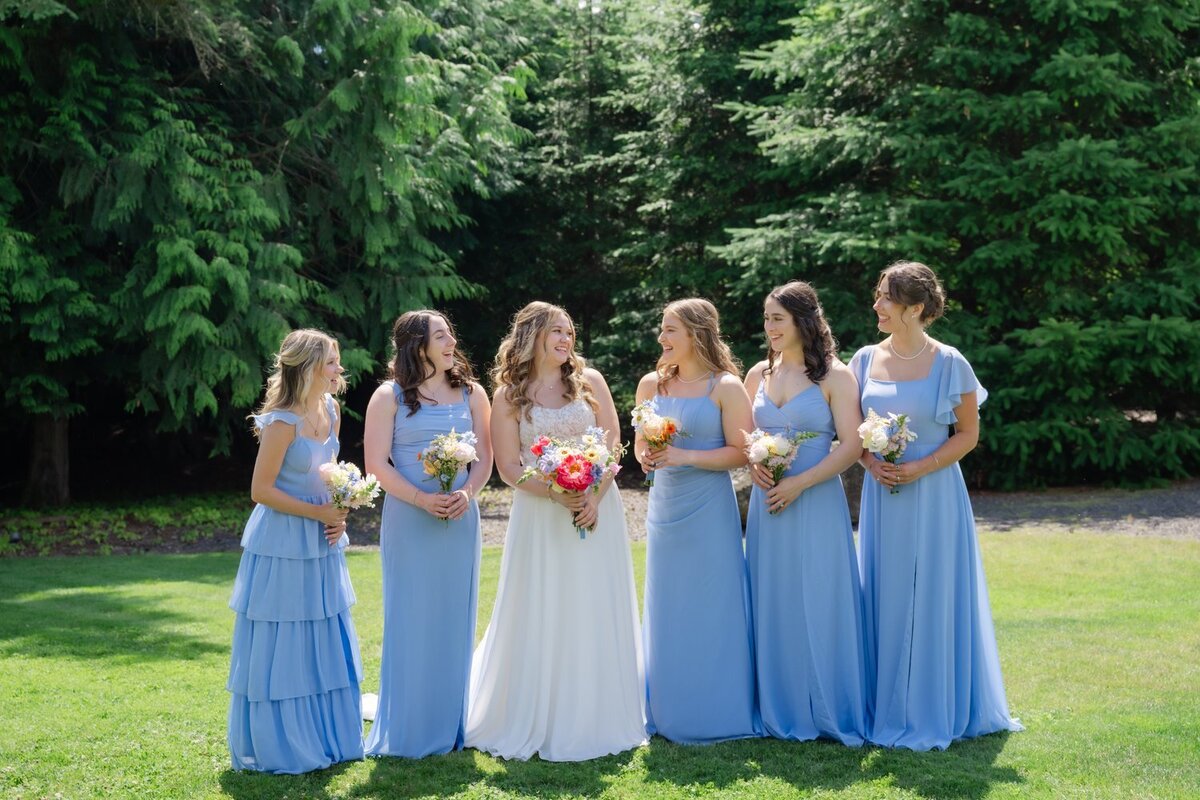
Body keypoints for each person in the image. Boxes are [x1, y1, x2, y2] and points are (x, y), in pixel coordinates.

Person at [851, 260, 1022, 750]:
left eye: (886, 297)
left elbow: (968, 434)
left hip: (936, 492)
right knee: (886, 590)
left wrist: (921, 467)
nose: (877, 305)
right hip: (884, 495)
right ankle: (887, 702)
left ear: (915, 308)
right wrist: (870, 461)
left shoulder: (950, 362)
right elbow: (851, 431)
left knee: (934, 592)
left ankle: (935, 703)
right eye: (878, 295)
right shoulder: (863, 360)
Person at [465, 301, 646, 761]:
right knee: (545, 604)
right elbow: (508, 468)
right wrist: (557, 493)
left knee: (592, 602)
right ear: (532, 337)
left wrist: (592, 497)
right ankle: (542, 712)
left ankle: (597, 710)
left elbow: (613, 445)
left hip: (597, 510)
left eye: (569, 332)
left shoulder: (591, 382)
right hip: (541, 515)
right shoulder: (509, 395)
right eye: (557, 332)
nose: (567, 340)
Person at [226, 329, 364, 774]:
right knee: (285, 638)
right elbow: (260, 490)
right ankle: (284, 743)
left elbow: (329, 472)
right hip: (283, 542)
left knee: (321, 635)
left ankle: (326, 736)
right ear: (307, 368)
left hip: (323, 540)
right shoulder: (281, 422)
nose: (339, 368)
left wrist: (340, 510)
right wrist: (317, 512)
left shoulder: (332, 410)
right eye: (331, 361)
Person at [743, 281, 869, 745]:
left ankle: (828, 703)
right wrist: (755, 464)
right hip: (768, 507)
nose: (769, 327)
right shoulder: (758, 373)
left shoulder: (835, 376)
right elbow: (745, 437)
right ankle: (780, 703)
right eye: (766, 318)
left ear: (803, 321)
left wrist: (799, 482)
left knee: (819, 596)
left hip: (815, 501)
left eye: (777, 318)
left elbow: (852, 445)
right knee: (772, 597)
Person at [363, 311, 492, 758]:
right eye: (441, 335)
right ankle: (410, 725)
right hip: (409, 518)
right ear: (417, 345)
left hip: (459, 518)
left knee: (454, 616)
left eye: (451, 333)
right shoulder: (389, 396)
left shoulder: (473, 393)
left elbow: (485, 458)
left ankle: (450, 722)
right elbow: (376, 464)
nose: (452, 341)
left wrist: (467, 493)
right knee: (411, 615)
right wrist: (421, 499)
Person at [635, 298, 761, 744]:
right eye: (662, 328)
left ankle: (716, 708)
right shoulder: (651, 385)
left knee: (712, 602)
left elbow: (742, 453)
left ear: (695, 333)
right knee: (669, 603)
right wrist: (646, 456)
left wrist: (684, 456)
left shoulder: (725, 386)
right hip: (665, 507)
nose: (662, 338)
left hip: (709, 508)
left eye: (670, 329)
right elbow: (640, 443)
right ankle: (669, 707)